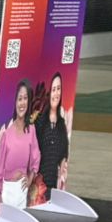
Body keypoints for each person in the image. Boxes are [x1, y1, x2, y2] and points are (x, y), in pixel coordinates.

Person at [0, 79, 39, 213]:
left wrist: (30, 179)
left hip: (22, 191)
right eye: (19, 99)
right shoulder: (6, 135)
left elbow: (36, 157)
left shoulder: (31, 130)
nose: (22, 103)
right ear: (15, 102)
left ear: (29, 101)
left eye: (25, 98)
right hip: (6, 192)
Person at [34, 71, 69, 202]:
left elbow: (64, 152)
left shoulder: (61, 124)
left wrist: (63, 163)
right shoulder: (39, 121)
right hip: (37, 186)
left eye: (58, 89)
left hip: (53, 184)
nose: (56, 93)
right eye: (53, 89)